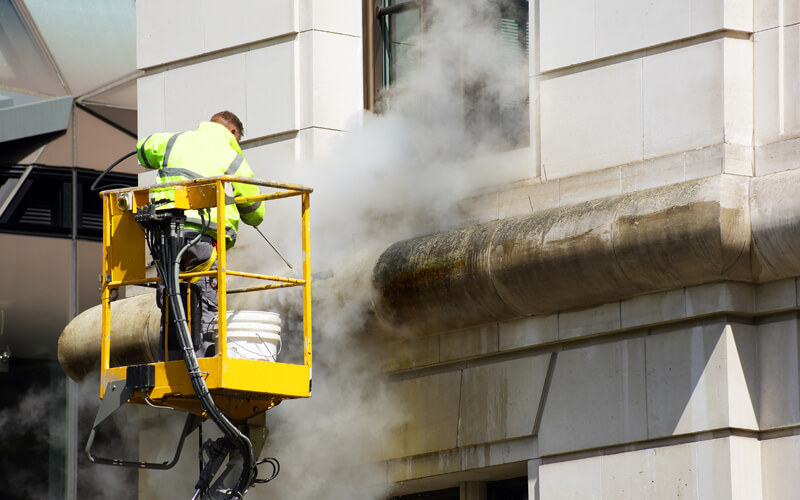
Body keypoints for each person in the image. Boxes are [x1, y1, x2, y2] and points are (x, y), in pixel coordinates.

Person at [136, 111, 265, 357]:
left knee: (172, 298)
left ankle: (172, 358)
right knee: (204, 299)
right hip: (203, 239)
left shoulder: (174, 141)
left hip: (165, 236)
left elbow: (143, 149)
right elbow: (255, 212)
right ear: (233, 133)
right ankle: (202, 361)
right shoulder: (233, 158)